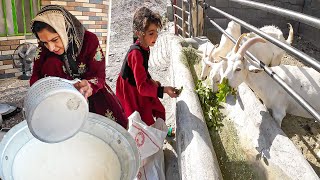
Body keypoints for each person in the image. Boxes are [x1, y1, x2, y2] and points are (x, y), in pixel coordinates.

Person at [30, 5, 128, 129]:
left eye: (55, 39)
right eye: (45, 42)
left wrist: (89, 85)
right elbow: (35, 77)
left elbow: (99, 75)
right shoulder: (43, 49)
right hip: (59, 99)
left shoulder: (89, 41)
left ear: (65, 30)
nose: (51, 48)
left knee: (104, 131)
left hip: (91, 95)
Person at [116, 7, 179, 127]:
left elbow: (143, 70)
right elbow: (142, 88)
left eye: (156, 32)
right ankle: (149, 139)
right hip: (131, 89)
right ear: (139, 33)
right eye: (151, 33)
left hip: (139, 84)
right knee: (142, 120)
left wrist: (151, 81)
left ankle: (160, 130)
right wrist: (164, 90)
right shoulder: (136, 54)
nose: (155, 36)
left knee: (158, 108)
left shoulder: (145, 48)